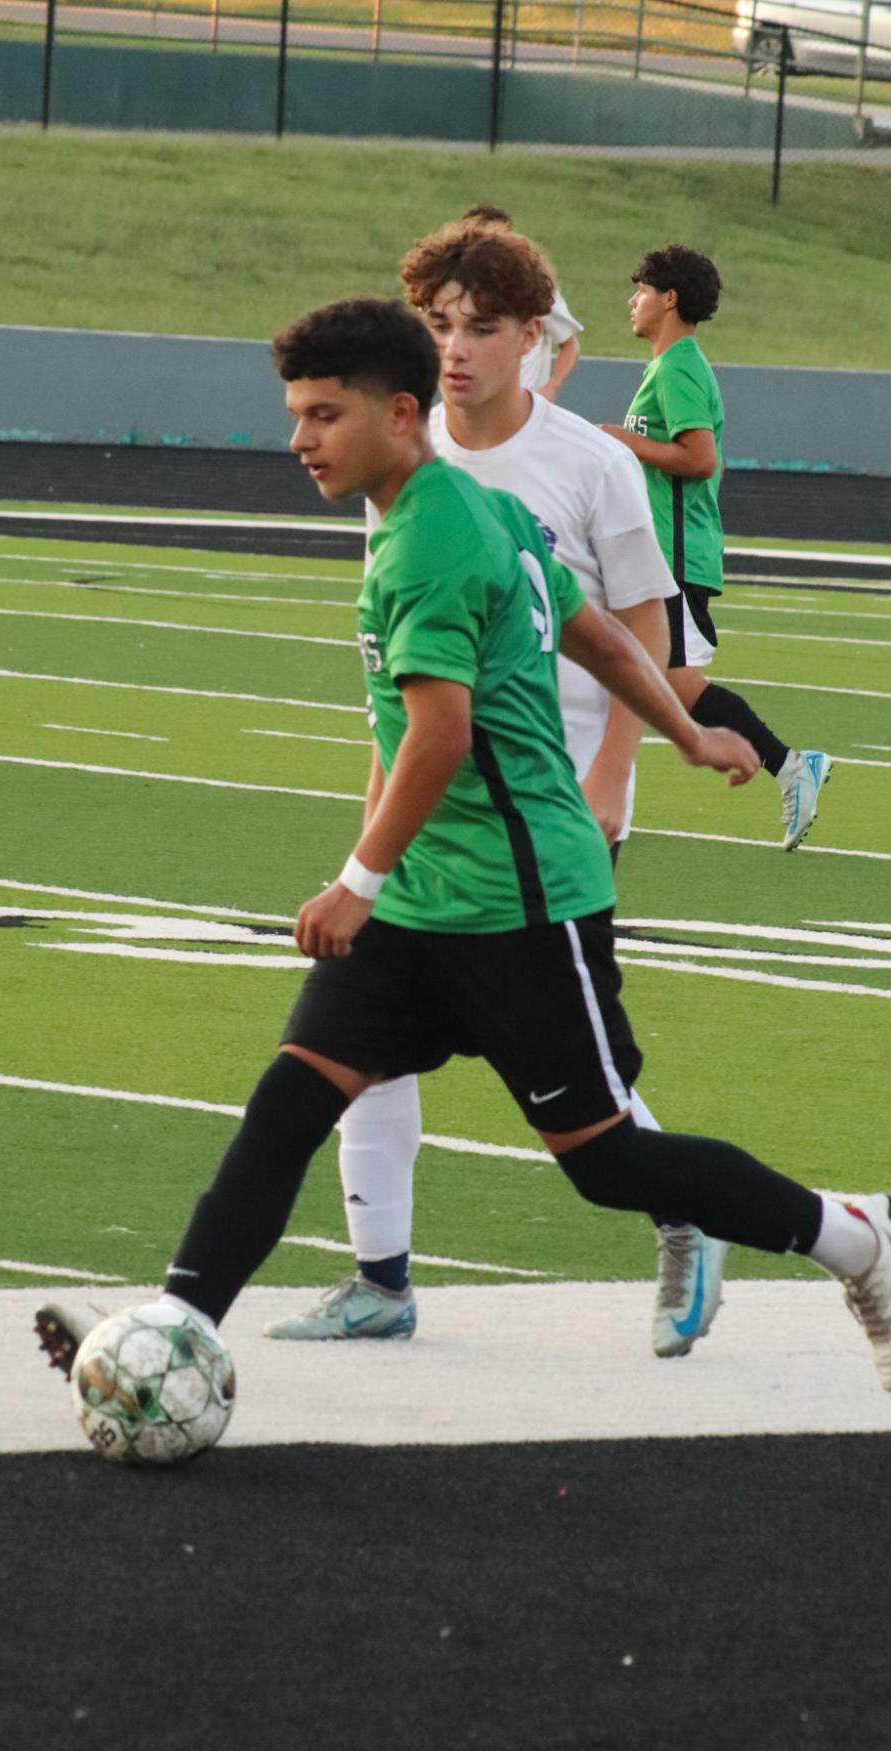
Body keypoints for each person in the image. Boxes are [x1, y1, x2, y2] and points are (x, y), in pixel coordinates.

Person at [36, 298, 890, 1398]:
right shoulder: (452, 505)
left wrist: (355, 880)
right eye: (294, 414)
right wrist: (684, 727)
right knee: (289, 1100)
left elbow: (439, 735)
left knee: (607, 1161)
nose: (298, 439)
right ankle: (177, 1322)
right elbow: (582, 624)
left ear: (399, 415)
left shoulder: (432, 535)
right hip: (425, 904)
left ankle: (858, 1243)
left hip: (518, 900)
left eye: (322, 415)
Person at [266, 220, 728, 1358]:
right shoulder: (396, 460)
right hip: (425, 807)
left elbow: (632, 628)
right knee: (354, 1035)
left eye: (479, 329)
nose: (456, 350)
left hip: (543, 814)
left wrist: (615, 767)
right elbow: (401, 669)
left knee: (576, 1081)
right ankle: (379, 1277)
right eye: (437, 328)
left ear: (535, 338)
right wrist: (371, 827)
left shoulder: (589, 462)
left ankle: (688, 1213)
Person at [600, 245, 828, 851]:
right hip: (661, 553)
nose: (633, 300)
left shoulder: (678, 366)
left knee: (668, 684)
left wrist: (623, 441)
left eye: (641, 288)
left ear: (669, 297)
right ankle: (789, 766)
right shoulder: (671, 365)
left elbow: (700, 459)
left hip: (674, 556)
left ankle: (790, 765)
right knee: (647, 680)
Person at [460, 203, 581, 402]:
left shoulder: (534, 288)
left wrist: (552, 386)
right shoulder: (457, 292)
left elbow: (569, 345)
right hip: (476, 408)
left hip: (525, 406)